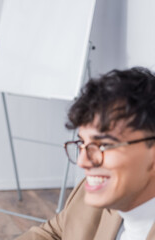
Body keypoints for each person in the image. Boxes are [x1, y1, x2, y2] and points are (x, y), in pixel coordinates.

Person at [17, 67, 155, 240]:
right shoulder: (89, 195)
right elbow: (51, 234)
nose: (83, 161)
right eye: (83, 143)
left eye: (104, 144)